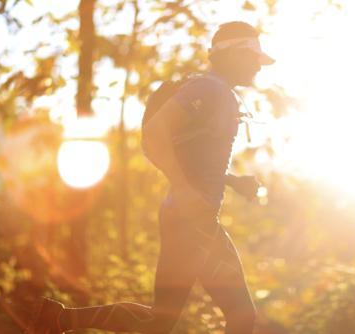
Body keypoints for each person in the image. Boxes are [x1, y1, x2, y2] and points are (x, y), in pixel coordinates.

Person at [30, 21, 274, 334]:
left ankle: (57, 320)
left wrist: (230, 181)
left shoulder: (215, 92)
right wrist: (186, 191)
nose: (258, 66)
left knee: (157, 321)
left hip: (190, 219)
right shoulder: (208, 90)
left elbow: (195, 159)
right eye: (253, 58)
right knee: (240, 317)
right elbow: (155, 133)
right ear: (234, 55)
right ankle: (57, 320)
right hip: (191, 222)